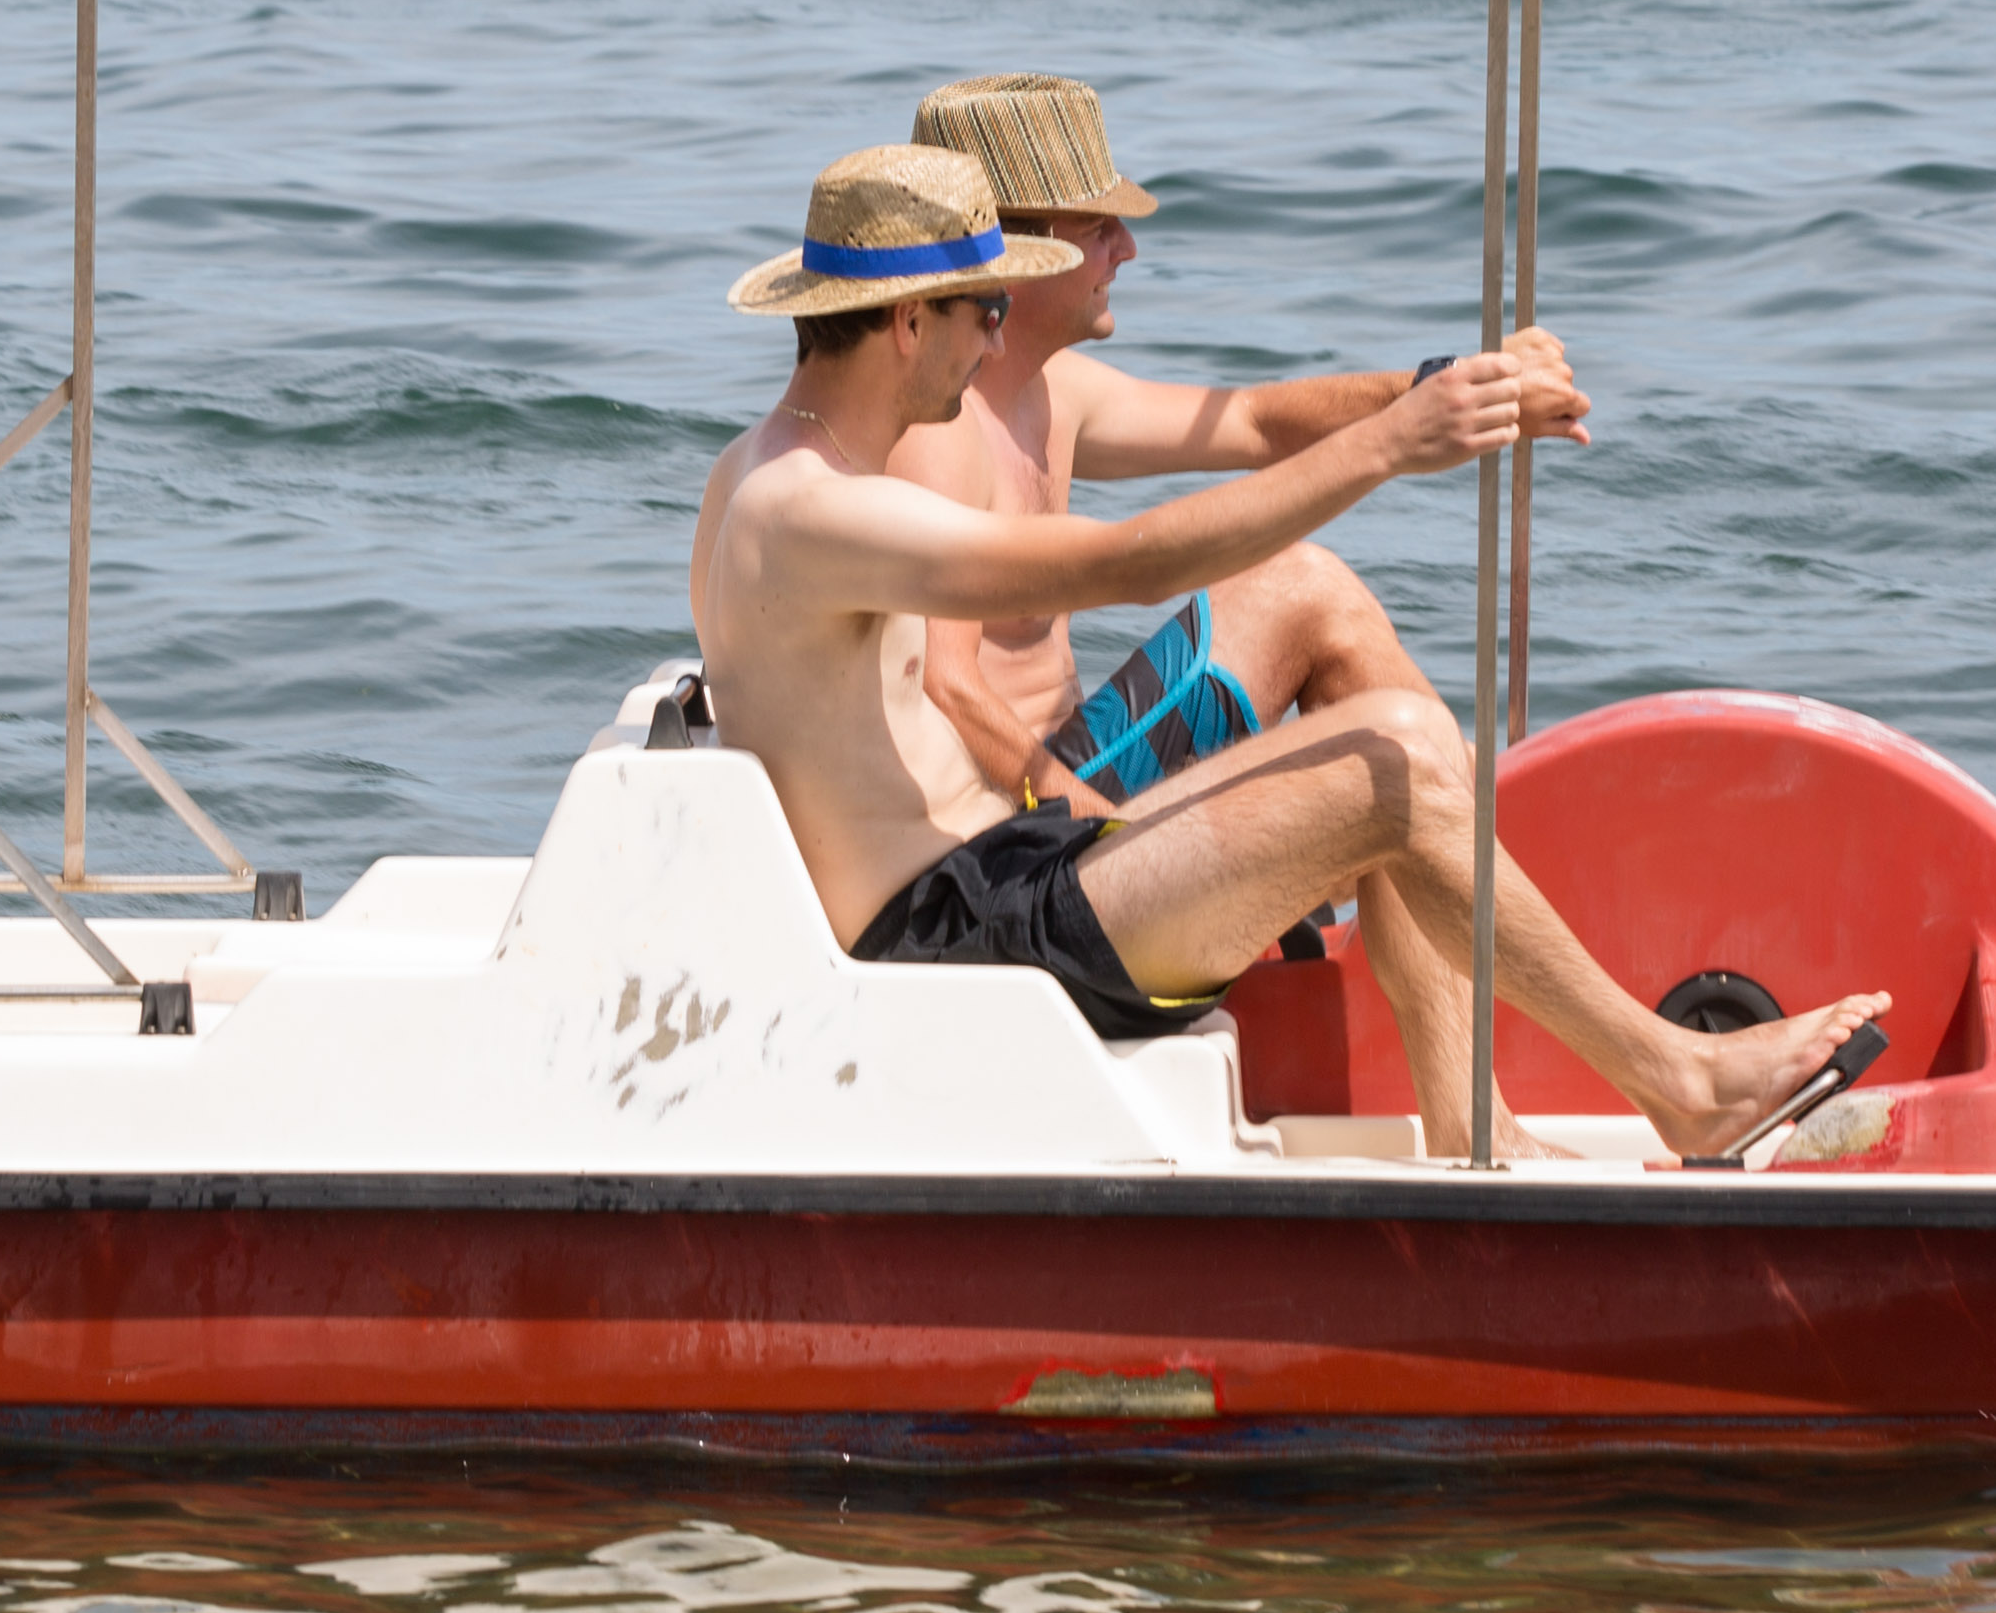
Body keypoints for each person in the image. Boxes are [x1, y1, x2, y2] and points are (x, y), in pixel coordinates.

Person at [690, 141, 1883, 1156]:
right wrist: (1390, 447)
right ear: (910, 323)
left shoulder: (777, 470)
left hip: (1007, 876)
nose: (992, 336)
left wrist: (1431, 396)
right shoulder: (810, 510)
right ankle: (1679, 1076)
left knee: (1387, 721)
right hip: (956, 937)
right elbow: (1123, 564)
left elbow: (1246, 429)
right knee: (1393, 765)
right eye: (982, 310)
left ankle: (1515, 1102)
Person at [892, 71, 1579, 812]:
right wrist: (1094, 827)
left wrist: (1463, 384)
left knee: (1372, 724)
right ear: (1017, 255)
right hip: (1017, 822)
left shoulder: (1051, 392)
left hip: (1078, 767)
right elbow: (943, 684)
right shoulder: (938, 434)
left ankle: (1495, 822)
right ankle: (1512, 824)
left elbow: (1255, 422)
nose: (1127, 248)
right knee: (1306, 591)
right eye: (1096, 229)